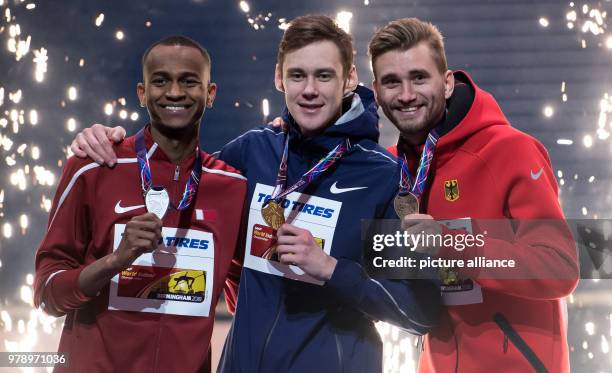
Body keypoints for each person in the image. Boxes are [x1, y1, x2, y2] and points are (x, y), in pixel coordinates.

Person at [68, 15, 441, 372]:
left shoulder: (382, 176)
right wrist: (110, 141)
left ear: (349, 79)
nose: (309, 90)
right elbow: (172, 179)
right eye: (298, 75)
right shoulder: (253, 152)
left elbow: (418, 312)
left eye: (323, 75)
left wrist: (331, 270)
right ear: (280, 78)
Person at [368, 18, 579, 372]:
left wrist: (451, 244)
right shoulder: (392, 169)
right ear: (376, 91)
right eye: (392, 82)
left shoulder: (511, 151)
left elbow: (560, 268)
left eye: (419, 77)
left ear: (447, 82)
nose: (406, 94)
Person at [33, 36, 247, 373]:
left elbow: (247, 299)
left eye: (189, 81)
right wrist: (116, 261)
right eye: (161, 80)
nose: (174, 92)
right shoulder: (94, 166)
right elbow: (47, 294)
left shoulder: (232, 187)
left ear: (211, 93)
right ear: (142, 93)